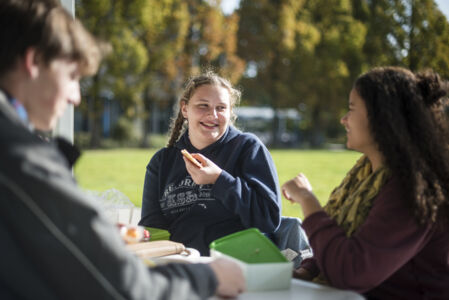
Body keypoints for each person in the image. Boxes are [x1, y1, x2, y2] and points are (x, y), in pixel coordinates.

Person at [0, 0, 245, 299]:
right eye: (73, 77)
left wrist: (85, 233)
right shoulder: (20, 157)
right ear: (34, 61)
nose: (75, 97)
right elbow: (119, 286)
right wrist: (207, 278)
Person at [282, 66, 449, 299]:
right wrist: (305, 271)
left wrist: (307, 199)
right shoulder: (366, 174)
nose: (343, 119)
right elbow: (338, 239)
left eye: (351, 108)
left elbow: (351, 272)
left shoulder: (412, 189)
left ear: (382, 117)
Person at [139, 71, 282, 255]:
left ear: (230, 112)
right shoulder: (162, 162)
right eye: (203, 105)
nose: (212, 115)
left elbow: (269, 218)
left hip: (239, 263)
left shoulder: (247, 148)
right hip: (184, 263)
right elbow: (152, 228)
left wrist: (219, 180)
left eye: (221, 108)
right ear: (185, 109)